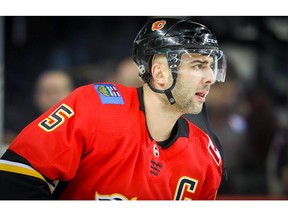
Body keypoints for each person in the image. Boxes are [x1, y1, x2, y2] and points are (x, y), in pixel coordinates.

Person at [0, 17, 227, 200]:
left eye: (211, 66)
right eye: (198, 65)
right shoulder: (94, 105)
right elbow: (16, 178)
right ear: (160, 74)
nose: (210, 78)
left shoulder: (207, 159)